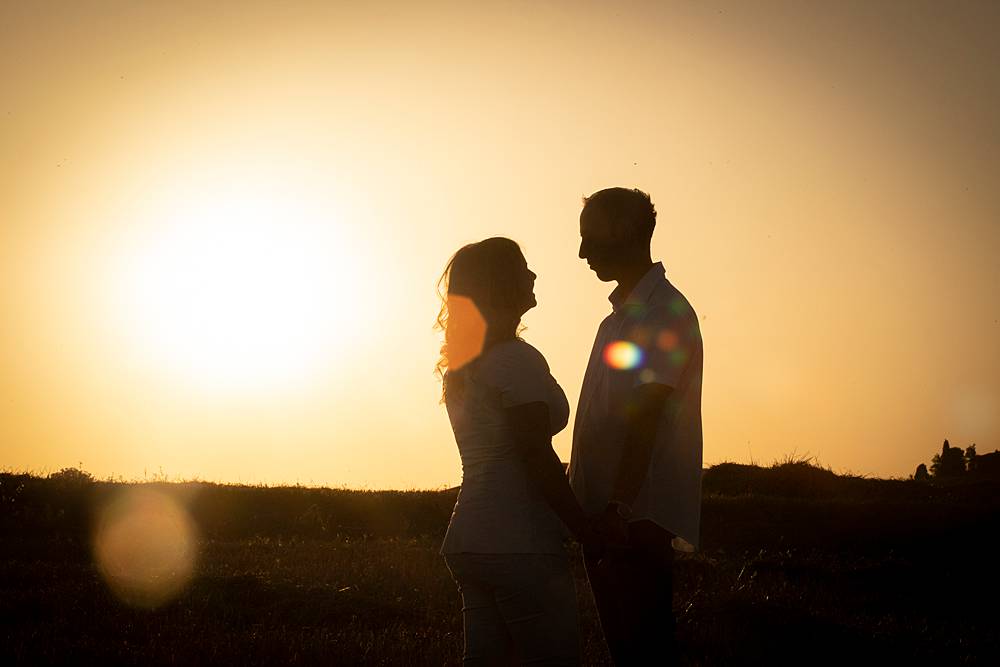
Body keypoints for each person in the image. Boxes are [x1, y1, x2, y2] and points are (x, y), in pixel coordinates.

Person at [436, 237, 599, 666]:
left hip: (470, 538)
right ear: (500, 284)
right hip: (520, 543)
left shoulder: (464, 367)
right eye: (522, 267)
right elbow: (535, 457)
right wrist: (586, 530)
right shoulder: (516, 360)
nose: (533, 275)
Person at [568, 187, 704, 665]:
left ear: (624, 233)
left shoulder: (664, 311)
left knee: (643, 654)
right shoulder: (617, 318)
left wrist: (619, 508)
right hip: (608, 519)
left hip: (634, 520)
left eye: (590, 238)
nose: (581, 252)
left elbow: (647, 415)